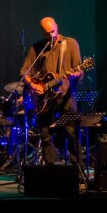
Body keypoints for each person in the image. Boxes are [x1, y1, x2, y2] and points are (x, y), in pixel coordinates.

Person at [20, 16, 84, 166]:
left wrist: (75, 74)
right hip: (44, 99)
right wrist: (34, 86)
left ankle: (78, 171)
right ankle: (50, 169)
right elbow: (24, 71)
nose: (51, 35)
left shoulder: (70, 44)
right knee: (45, 135)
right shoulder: (37, 48)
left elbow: (80, 70)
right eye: (47, 33)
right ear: (42, 32)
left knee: (72, 133)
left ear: (57, 26)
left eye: (53, 31)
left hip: (66, 96)